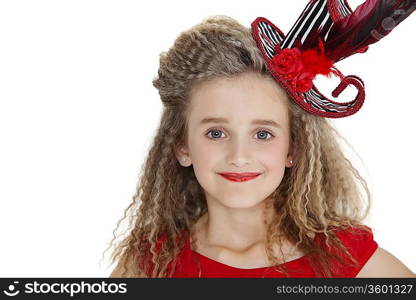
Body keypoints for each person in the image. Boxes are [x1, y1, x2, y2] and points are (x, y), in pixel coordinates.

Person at [106, 3, 415, 278]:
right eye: (216, 133)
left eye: (263, 134)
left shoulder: (344, 259)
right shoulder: (150, 265)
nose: (239, 156)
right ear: (182, 146)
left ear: (293, 148)